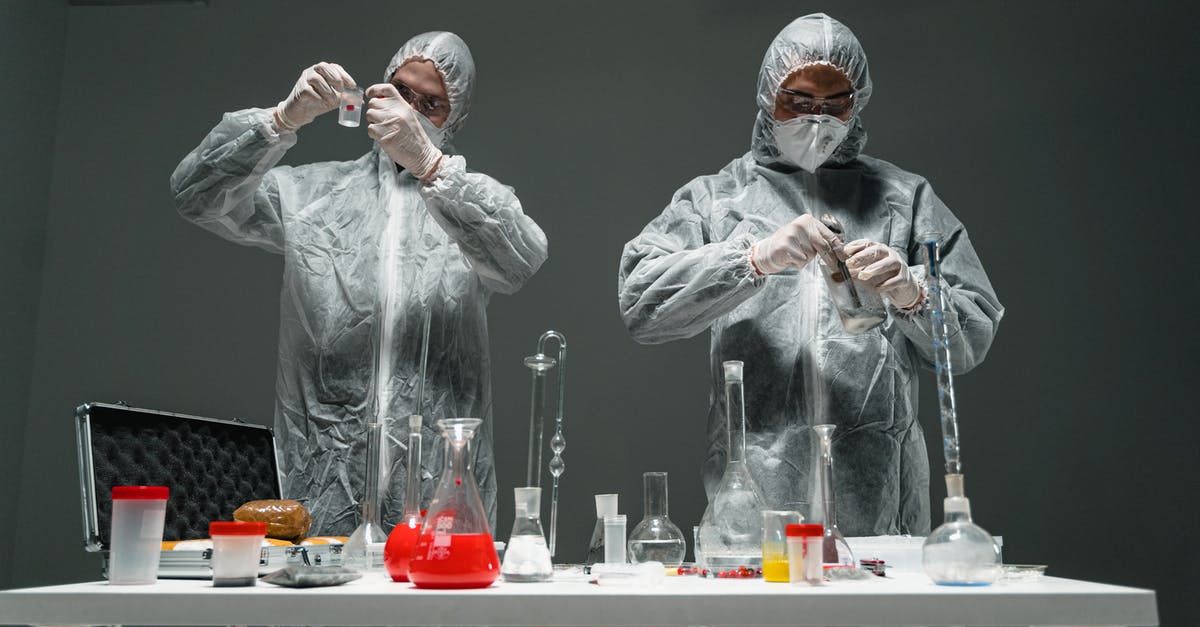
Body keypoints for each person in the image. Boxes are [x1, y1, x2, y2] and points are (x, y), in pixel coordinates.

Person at [617, 14, 1002, 535]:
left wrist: (914, 292)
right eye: (797, 101)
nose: (815, 119)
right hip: (756, 496)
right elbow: (641, 304)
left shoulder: (904, 199)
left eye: (834, 102)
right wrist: (751, 259)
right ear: (767, 96)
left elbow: (966, 343)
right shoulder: (717, 199)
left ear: (857, 100)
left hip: (877, 501)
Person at [171, 32, 547, 534]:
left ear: (452, 119)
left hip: (441, 488)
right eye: (401, 91)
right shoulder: (314, 196)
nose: (410, 111)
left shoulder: (472, 206)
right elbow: (196, 194)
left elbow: (522, 256)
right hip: (321, 475)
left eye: (430, 104)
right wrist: (282, 120)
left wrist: (432, 167)